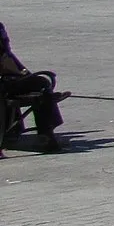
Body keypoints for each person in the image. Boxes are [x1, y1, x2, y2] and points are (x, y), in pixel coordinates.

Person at [0, 22, 68, 153]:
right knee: (41, 87)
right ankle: (45, 134)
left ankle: (46, 134)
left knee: (42, 83)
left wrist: (22, 73)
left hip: (7, 80)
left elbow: (7, 55)